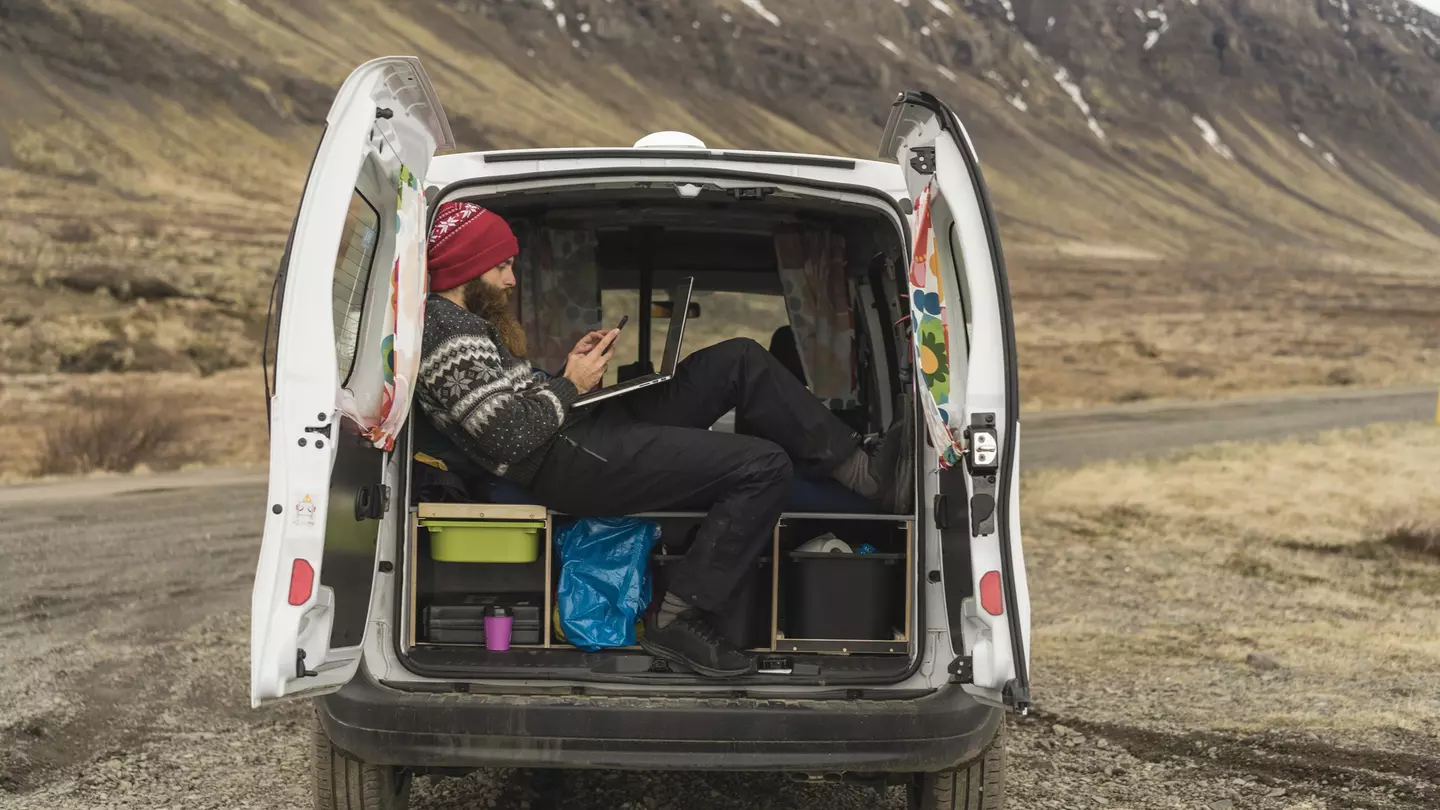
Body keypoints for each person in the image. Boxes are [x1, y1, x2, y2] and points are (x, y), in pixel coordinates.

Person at [417, 201, 912, 677]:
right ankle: (678, 618)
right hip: (564, 460)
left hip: (578, 429)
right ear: (468, 264)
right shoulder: (447, 334)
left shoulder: (465, 325)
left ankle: (864, 475)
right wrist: (572, 386)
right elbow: (506, 437)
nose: (509, 280)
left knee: (738, 358)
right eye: (501, 266)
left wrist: (568, 372)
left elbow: (510, 409)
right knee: (765, 464)